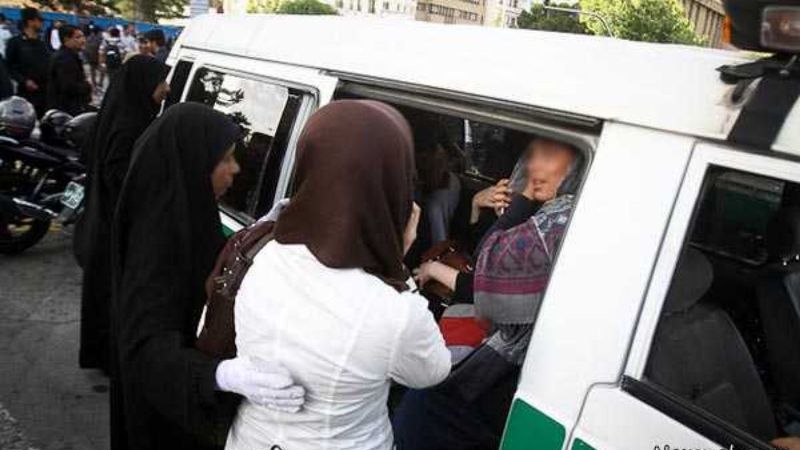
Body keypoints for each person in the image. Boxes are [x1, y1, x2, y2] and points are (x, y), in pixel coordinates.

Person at [225, 100, 451, 450]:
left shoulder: (262, 254)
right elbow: (432, 371)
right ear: (394, 188)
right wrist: (397, 266)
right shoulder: (394, 310)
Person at [110, 103, 305, 450]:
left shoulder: (187, 213)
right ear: (193, 164)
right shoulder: (153, 242)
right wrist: (221, 375)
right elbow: (145, 349)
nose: (236, 169)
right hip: (164, 414)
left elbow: (207, 259)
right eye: (225, 159)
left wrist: (259, 229)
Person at [394, 138, 582, 450]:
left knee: (421, 405)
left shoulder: (554, 222)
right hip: (498, 341)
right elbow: (479, 258)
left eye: (548, 159)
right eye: (531, 158)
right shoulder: (539, 214)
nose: (534, 167)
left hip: (507, 361)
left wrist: (433, 269)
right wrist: (478, 208)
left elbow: (483, 282)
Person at [77, 55, 171, 373]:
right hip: (114, 226)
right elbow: (118, 175)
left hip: (106, 222)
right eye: (161, 80)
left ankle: (104, 353)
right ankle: (109, 358)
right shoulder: (129, 124)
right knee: (111, 294)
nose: (166, 87)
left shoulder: (126, 114)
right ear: (144, 83)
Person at [6, 7, 50, 116]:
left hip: (45, 93)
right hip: (26, 94)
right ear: (30, 22)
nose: (42, 23)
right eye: (39, 20)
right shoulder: (15, 42)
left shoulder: (42, 43)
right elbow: (9, 67)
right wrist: (24, 81)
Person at [47, 25, 91, 115]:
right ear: (67, 39)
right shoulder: (64, 59)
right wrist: (87, 86)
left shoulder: (71, 56)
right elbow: (68, 86)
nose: (83, 40)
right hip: (66, 109)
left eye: (83, 36)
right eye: (78, 37)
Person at [84, 26, 103, 91]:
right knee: (101, 71)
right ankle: (97, 85)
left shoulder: (89, 38)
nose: (101, 33)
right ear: (98, 32)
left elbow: (85, 49)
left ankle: (95, 85)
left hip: (92, 58)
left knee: (93, 72)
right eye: (100, 32)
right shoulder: (98, 38)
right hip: (95, 58)